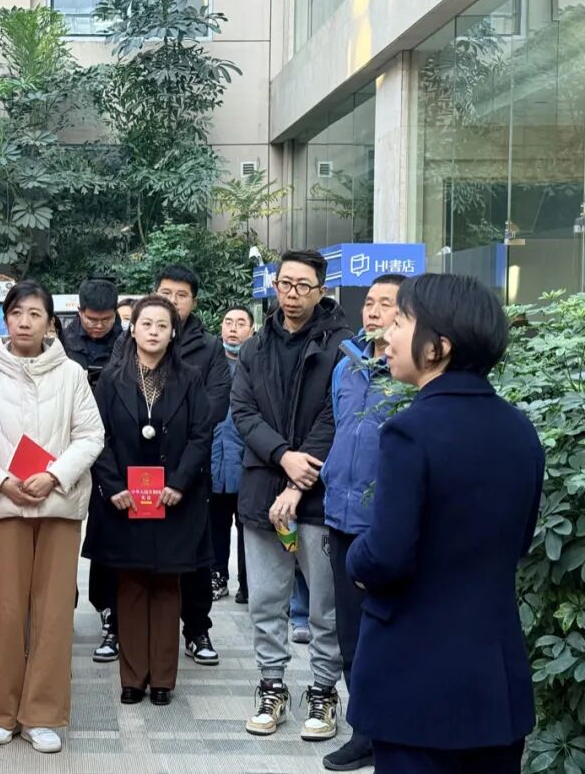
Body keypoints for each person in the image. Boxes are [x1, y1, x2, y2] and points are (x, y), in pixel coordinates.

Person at [346, 274, 542, 774]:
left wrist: (355, 557)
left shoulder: (410, 431)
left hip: (415, 683)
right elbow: (519, 543)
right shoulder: (521, 430)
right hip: (495, 682)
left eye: (400, 321)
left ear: (438, 346)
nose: (386, 334)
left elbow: (386, 556)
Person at [0, 280, 105, 755]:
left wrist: (54, 475)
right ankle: (4, 711)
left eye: (35, 314)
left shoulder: (72, 374)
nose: (24, 322)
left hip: (57, 506)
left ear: (50, 323)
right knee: (6, 610)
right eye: (17, 313)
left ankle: (42, 714)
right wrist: (0, 481)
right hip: (3, 506)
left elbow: (90, 436)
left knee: (54, 612)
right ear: (6, 319)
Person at [230, 249, 351, 741]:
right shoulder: (255, 346)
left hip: (320, 495)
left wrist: (299, 482)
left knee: (324, 605)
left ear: (321, 290)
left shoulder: (342, 346)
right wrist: (283, 458)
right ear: (274, 286)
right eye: (285, 284)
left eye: (303, 285)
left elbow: (335, 416)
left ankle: (323, 691)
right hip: (263, 489)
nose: (293, 294)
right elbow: (243, 412)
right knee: (265, 599)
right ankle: (271, 686)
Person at [83, 295, 213, 706]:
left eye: (162, 325)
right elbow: (96, 436)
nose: (153, 331)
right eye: (146, 324)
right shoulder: (111, 379)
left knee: (168, 584)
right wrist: (112, 486)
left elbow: (201, 435)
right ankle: (132, 678)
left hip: (174, 499)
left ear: (173, 332)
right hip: (125, 500)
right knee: (131, 584)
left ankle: (162, 679)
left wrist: (179, 482)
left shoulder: (190, 378)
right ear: (133, 329)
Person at [111, 265, 231, 666]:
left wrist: (176, 437)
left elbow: (214, 408)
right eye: (166, 292)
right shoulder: (127, 344)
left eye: (182, 295)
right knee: (128, 558)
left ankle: (196, 628)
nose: (174, 300)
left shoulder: (208, 348)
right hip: (132, 473)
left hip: (185, 472)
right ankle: (116, 626)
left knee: (191, 556)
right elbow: (113, 406)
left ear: (193, 302)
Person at [320, 273, 404, 772]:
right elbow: (338, 428)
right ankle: (364, 732)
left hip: (386, 522)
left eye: (385, 304)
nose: (372, 311)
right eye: (369, 302)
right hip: (340, 517)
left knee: (389, 632)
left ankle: (394, 729)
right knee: (350, 634)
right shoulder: (346, 365)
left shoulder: (410, 373)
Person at [64, 279, 125, 661]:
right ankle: (61, 606)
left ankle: (108, 610)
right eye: (91, 319)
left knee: (107, 535)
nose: (98, 326)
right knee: (62, 533)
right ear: (79, 312)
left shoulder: (128, 342)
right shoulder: (61, 342)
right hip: (67, 449)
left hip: (111, 450)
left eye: (105, 319)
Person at [209, 306, 254, 604]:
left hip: (247, 462)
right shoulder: (211, 364)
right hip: (214, 460)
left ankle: (248, 583)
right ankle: (217, 576)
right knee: (215, 524)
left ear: (252, 329)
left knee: (248, 527)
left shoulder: (257, 365)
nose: (233, 329)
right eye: (228, 322)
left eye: (240, 323)